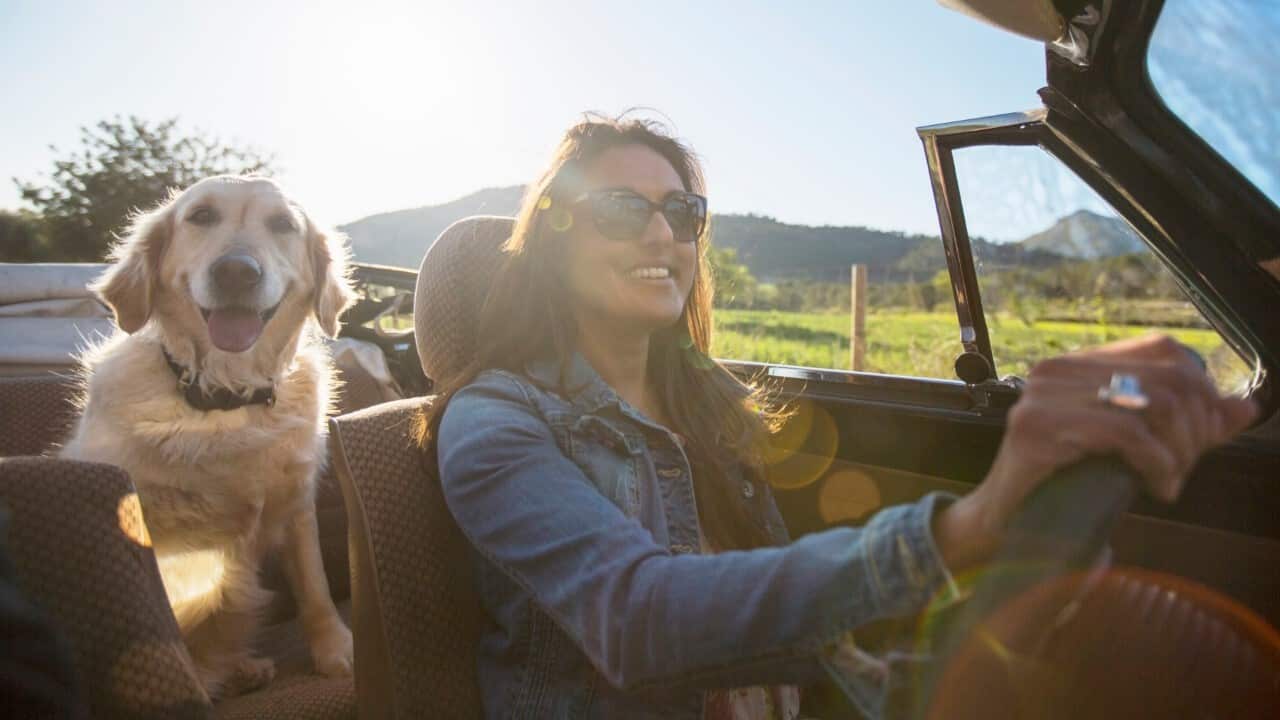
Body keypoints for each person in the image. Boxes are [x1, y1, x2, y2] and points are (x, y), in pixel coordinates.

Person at [422, 115, 1258, 719]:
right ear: (554, 236)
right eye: (620, 210)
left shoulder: (706, 400)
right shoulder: (495, 424)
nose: (660, 234)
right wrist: (963, 530)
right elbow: (641, 619)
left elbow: (778, 619)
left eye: (682, 214)